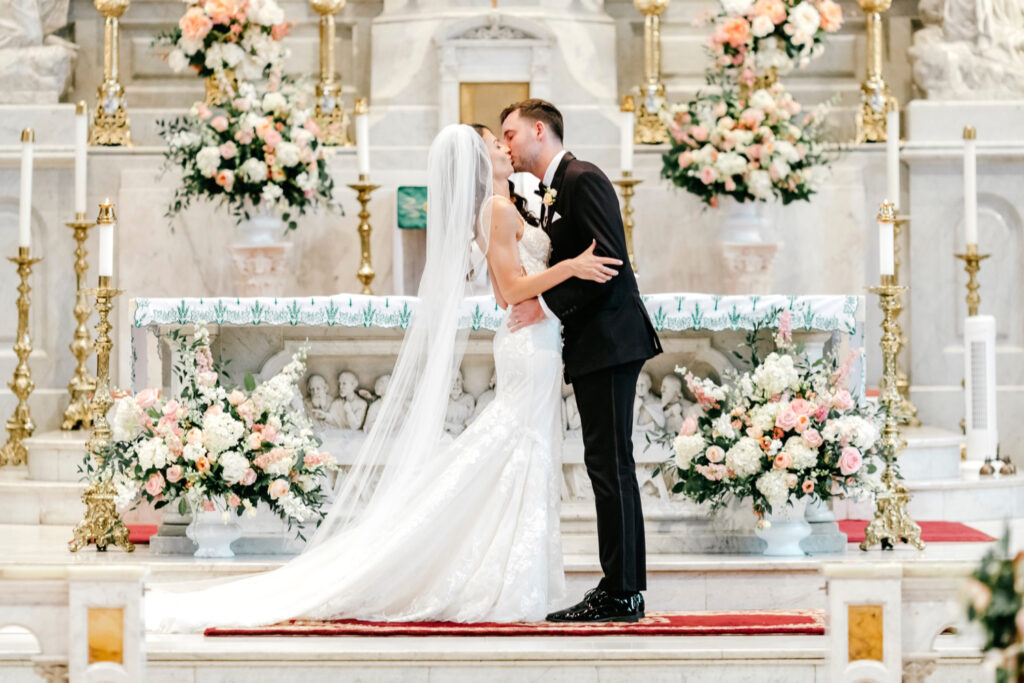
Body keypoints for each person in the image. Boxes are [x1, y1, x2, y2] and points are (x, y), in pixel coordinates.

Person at [145, 123, 621, 631]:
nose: (505, 149)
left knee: (522, 451)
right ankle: (492, 573)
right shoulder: (498, 210)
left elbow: (509, 292)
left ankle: (509, 572)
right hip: (529, 346)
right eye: (494, 144)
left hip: (535, 339)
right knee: (517, 448)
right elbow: (509, 288)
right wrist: (570, 267)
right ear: (480, 163)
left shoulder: (509, 207)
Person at [501, 99, 662, 623]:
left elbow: (608, 263)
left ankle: (620, 593)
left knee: (609, 465)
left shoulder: (582, 178)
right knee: (608, 464)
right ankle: (624, 588)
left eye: (511, 134)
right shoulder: (553, 186)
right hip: (598, 341)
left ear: (539, 130)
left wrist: (543, 305)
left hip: (611, 339)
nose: (506, 145)